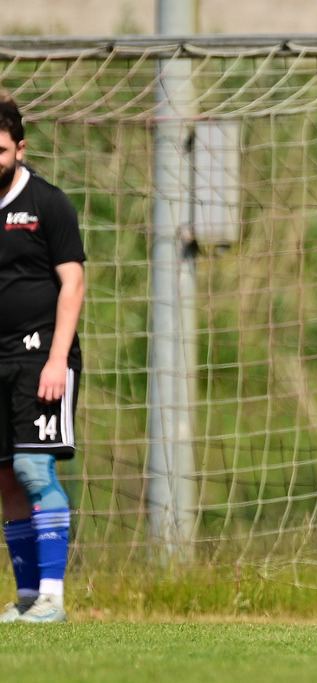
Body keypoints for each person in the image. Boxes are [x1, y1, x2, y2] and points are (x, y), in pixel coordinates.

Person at [0, 93, 86, 623]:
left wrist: (58, 360)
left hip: (40, 356)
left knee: (34, 467)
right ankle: (27, 597)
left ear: (19, 148)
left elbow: (72, 282)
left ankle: (52, 596)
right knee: (6, 476)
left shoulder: (49, 203)